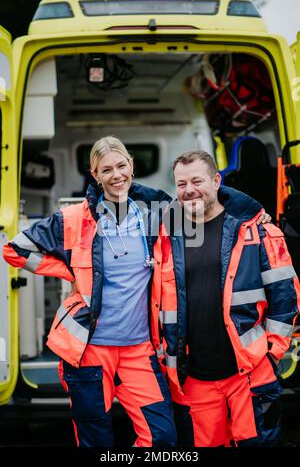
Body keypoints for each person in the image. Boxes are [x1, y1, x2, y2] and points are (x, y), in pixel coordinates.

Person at [2, 136, 177, 448]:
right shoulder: (73, 218)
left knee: (161, 437)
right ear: (94, 174)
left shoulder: (155, 213)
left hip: (140, 349)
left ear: (132, 166)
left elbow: (205, 205)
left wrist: (257, 214)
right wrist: (68, 270)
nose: (116, 174)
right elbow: (15, 249)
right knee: (95, 440)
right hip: (89, 351)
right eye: (106, 169)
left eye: (121, 165)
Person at [151, 150, 300, 447]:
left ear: (217, 181)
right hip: (192, 377)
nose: (189, 190)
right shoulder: (165, 236)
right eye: (181, 184)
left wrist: (272, 354)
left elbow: (286, 296)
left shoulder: (257, 230)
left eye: (197, 180)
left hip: (249, 373)